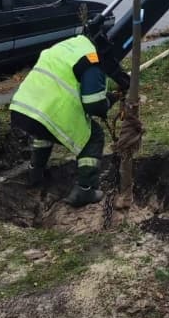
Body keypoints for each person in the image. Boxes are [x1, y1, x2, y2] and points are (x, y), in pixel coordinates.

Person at [10, 31, 130, 207]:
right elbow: (94, 105)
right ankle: (85, 189)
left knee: (43, 133)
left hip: (23, 108)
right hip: (49, 113)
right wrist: (110, 99)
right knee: (93, 136)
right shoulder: (92, 59)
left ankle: (35, 172)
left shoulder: (69, 46)